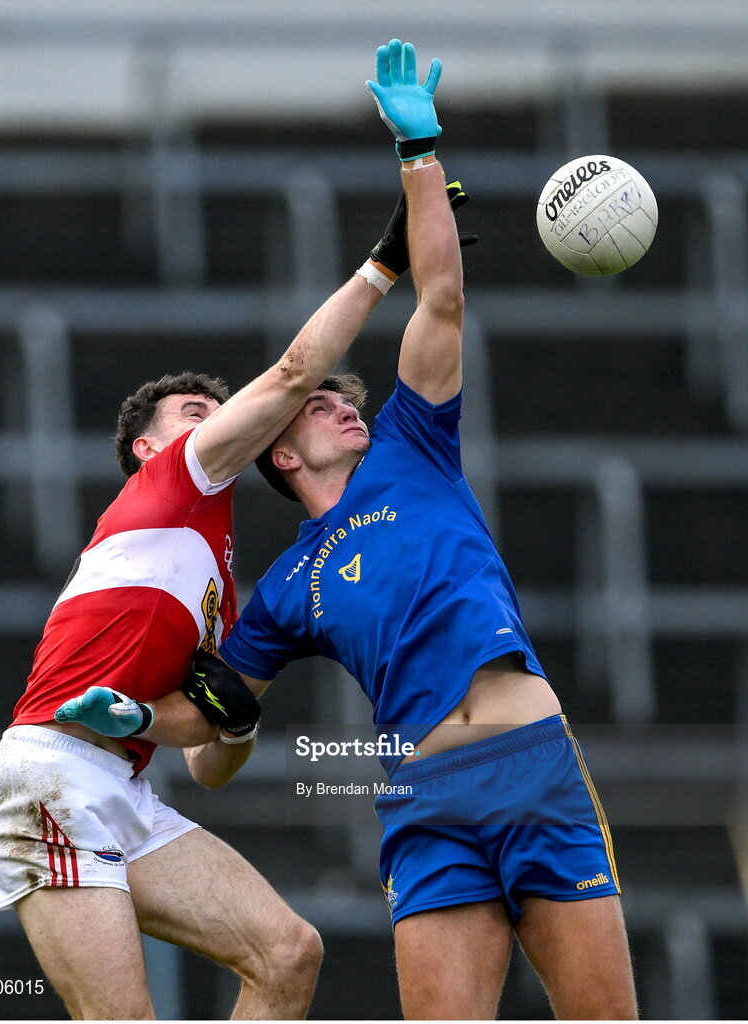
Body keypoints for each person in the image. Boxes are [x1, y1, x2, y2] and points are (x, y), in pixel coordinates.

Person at [57, 40, 638, 1020]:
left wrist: (416, 147)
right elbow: (217, 714)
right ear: (280, 455)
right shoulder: (287, 584)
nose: (341, 405)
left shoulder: (415, 448)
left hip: (531, 763)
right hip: (425, 803)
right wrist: (142, 718)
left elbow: (440, 297)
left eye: (342, 398)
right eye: (321, 402)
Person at [0, 143, 403, 1016]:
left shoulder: (215, 574)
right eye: (194, 415)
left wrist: (231, 722)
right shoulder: (168, 484)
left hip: (122, 788)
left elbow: (206, 761)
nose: (218, 420)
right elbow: (289, 375)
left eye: (219, 410)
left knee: (288, 954)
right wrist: (386, 266)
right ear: (148, 447)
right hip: (49, 778)